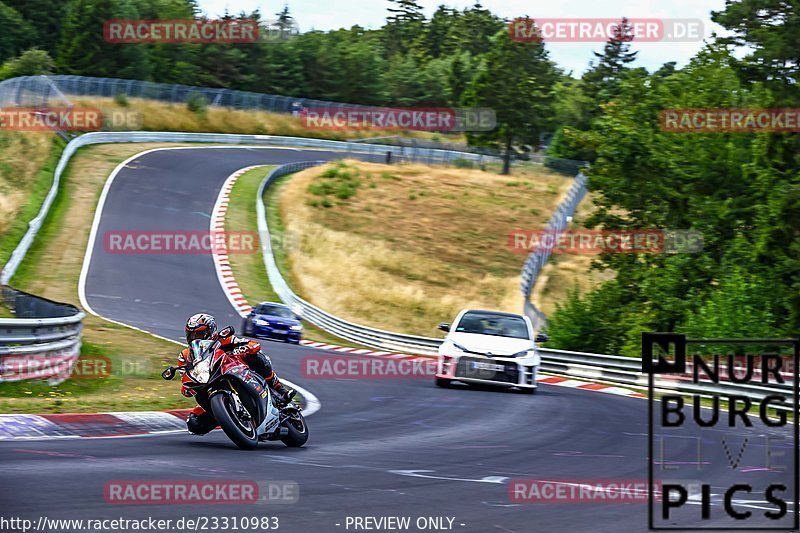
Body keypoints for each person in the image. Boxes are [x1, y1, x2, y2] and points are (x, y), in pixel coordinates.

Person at [178, 313, 295, 435]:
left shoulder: (223, 339)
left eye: (200, 334)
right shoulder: (185, 355)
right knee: (194, 423)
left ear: (211, 331)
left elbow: (251, 344)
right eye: (192, 335)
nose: (195, 338)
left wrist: (245, 349)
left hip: (238, 370)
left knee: (258, 358)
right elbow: (184, 376)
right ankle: (230, 417)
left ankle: (279, 390)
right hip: (208, 383)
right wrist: (186, 387)